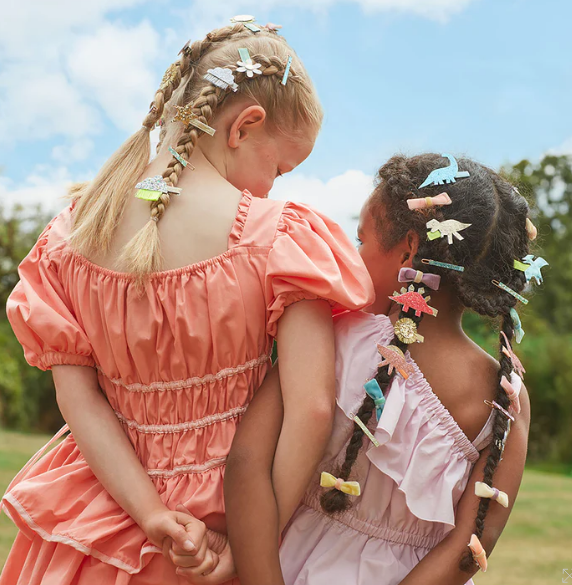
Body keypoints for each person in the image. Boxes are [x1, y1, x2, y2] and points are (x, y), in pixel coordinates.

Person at [0, 20, 374, 585]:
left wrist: (152, 516)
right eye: (278, 167)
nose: (272, 186)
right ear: (244, 126)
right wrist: (254, 541)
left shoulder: (68, 240)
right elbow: (312, 408)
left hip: (104, 519)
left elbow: (81, 405)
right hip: (233, 512)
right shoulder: (279, 239)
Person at [225, 153, 535, 585]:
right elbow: (473, 543)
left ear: (409, 248)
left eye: (362, 242)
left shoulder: (332, 337)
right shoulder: (503, 396)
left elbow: (245, 462)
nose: (354, 258)